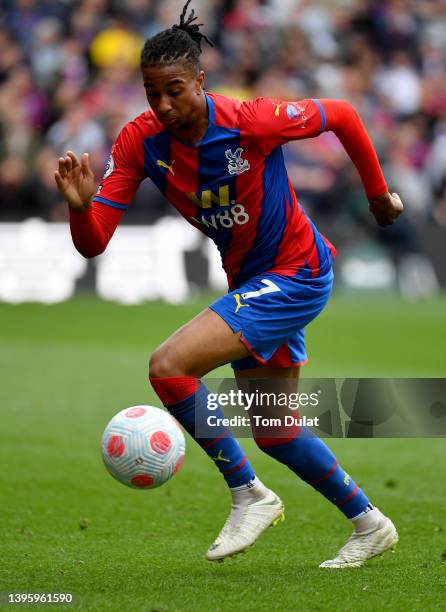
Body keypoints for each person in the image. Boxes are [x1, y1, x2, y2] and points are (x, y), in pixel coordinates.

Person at [55, 0, 403, 568]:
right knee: (276, 431)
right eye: (151, 93)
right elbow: (94, 243)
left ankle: (248, 493)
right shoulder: (140, 143)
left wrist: (376, 196)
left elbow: (341, 113)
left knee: (168, 366)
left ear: (200, 79)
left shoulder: (251, 121)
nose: (163, 105)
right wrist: (79, 206)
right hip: (252, 281)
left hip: (297, 273)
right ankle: (370, 522)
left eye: (174, 90)